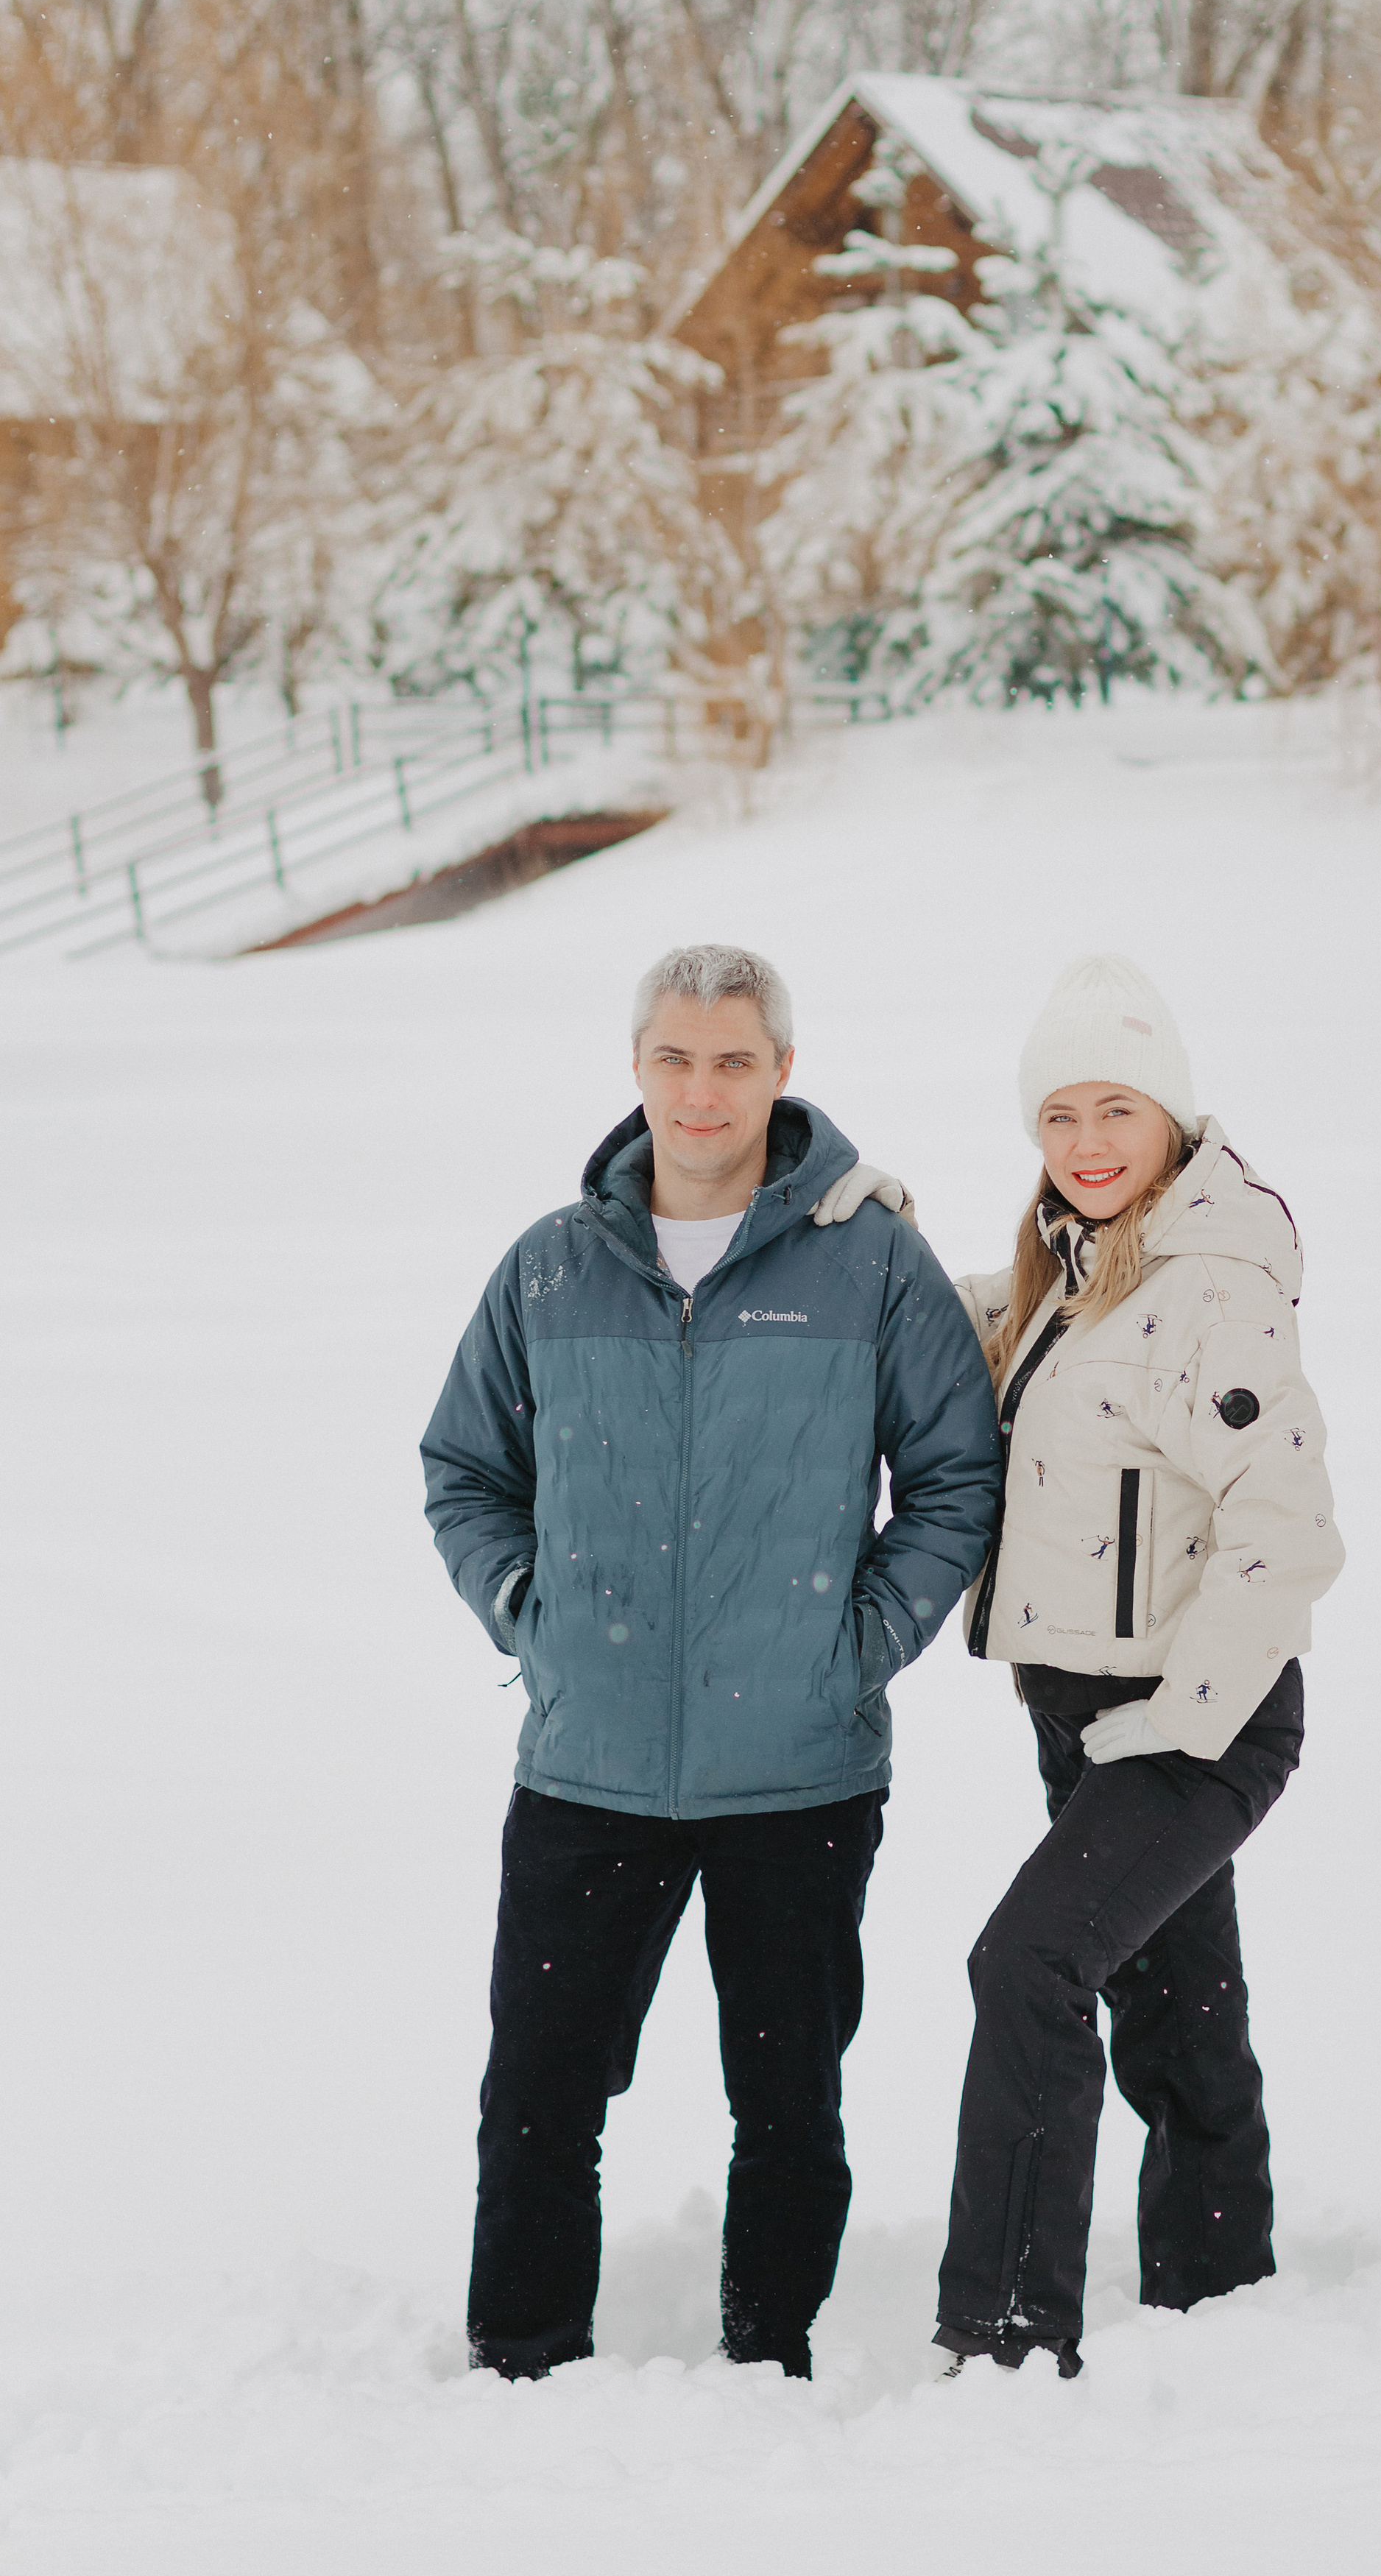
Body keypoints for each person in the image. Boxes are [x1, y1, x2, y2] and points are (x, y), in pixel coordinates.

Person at [420, 942, 1002, 2384]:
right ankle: (523, 2363)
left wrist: (850, 1646)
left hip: (795, 1772)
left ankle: (767, 2361)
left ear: (781, 1073)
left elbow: (953, 1481)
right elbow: (461, 1467)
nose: (701, 1089)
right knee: (542, 2092)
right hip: (588, 1768)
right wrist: (523, 1605)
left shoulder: (868, 1263)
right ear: (634, 1069)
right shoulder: (551, 1267)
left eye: (734, 1060)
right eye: (674, 1058)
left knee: (787, 2099)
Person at [931, 953, 1344, 2375]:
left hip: (1192, 1720)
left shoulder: (1210, 1285)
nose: (1089, 1144)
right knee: (1173, 2011)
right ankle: (1222, 2298)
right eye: (1060, 1117)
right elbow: (985, 1321)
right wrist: (866, 1230)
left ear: (1171, 1116)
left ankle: (1003, 2330)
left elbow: (1284, 1527)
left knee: (1027, 1964)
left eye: (1117, 1109)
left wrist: (1183, 1720)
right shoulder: (1078, 1269)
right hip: (1083, 1708)